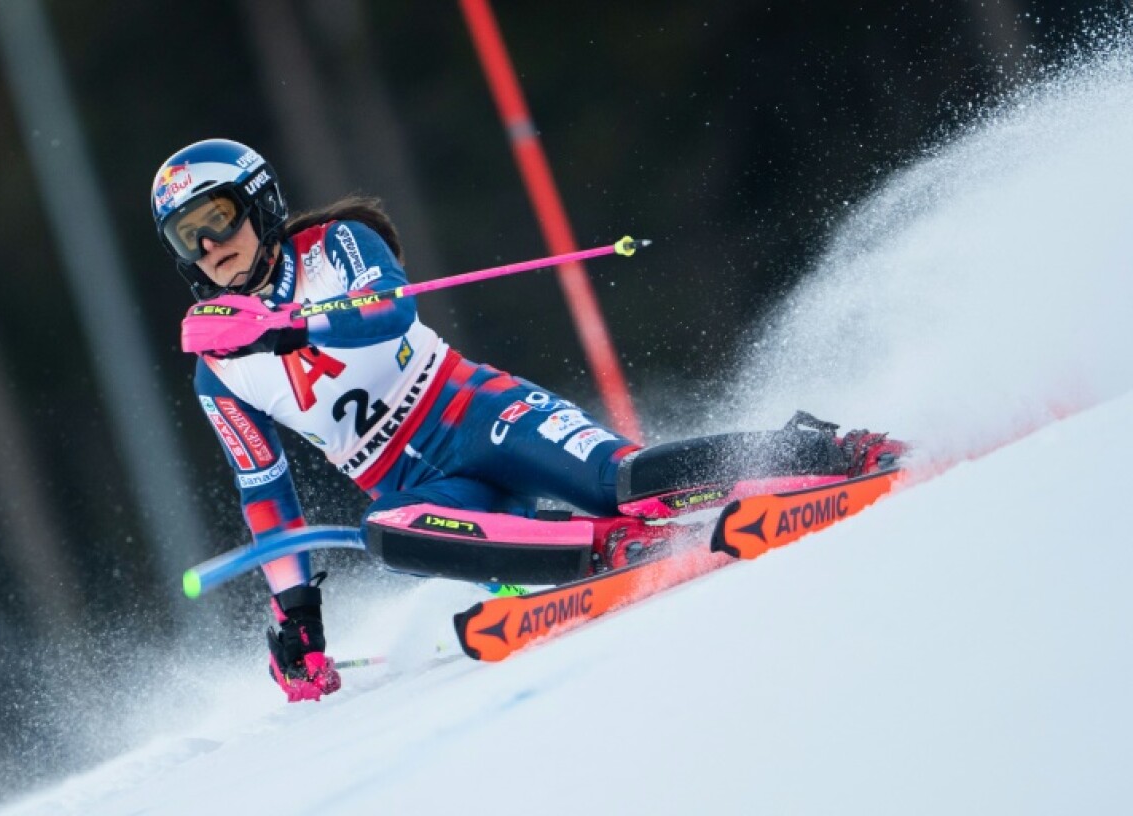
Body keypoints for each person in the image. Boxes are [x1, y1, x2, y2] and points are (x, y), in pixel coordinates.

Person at [150, 138, 906, 703]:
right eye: (189, 236)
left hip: (480, 414)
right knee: (385, 533)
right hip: (425, 488)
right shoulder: (217, 369)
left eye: (218, 218)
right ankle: (603, 553)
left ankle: (821, 451)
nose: (211, 246)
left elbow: (388, 312)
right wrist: (298, 619)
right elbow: (266, 495)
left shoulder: (336, 246)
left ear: (260, 205)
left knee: (622, 483)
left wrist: (285, 328)